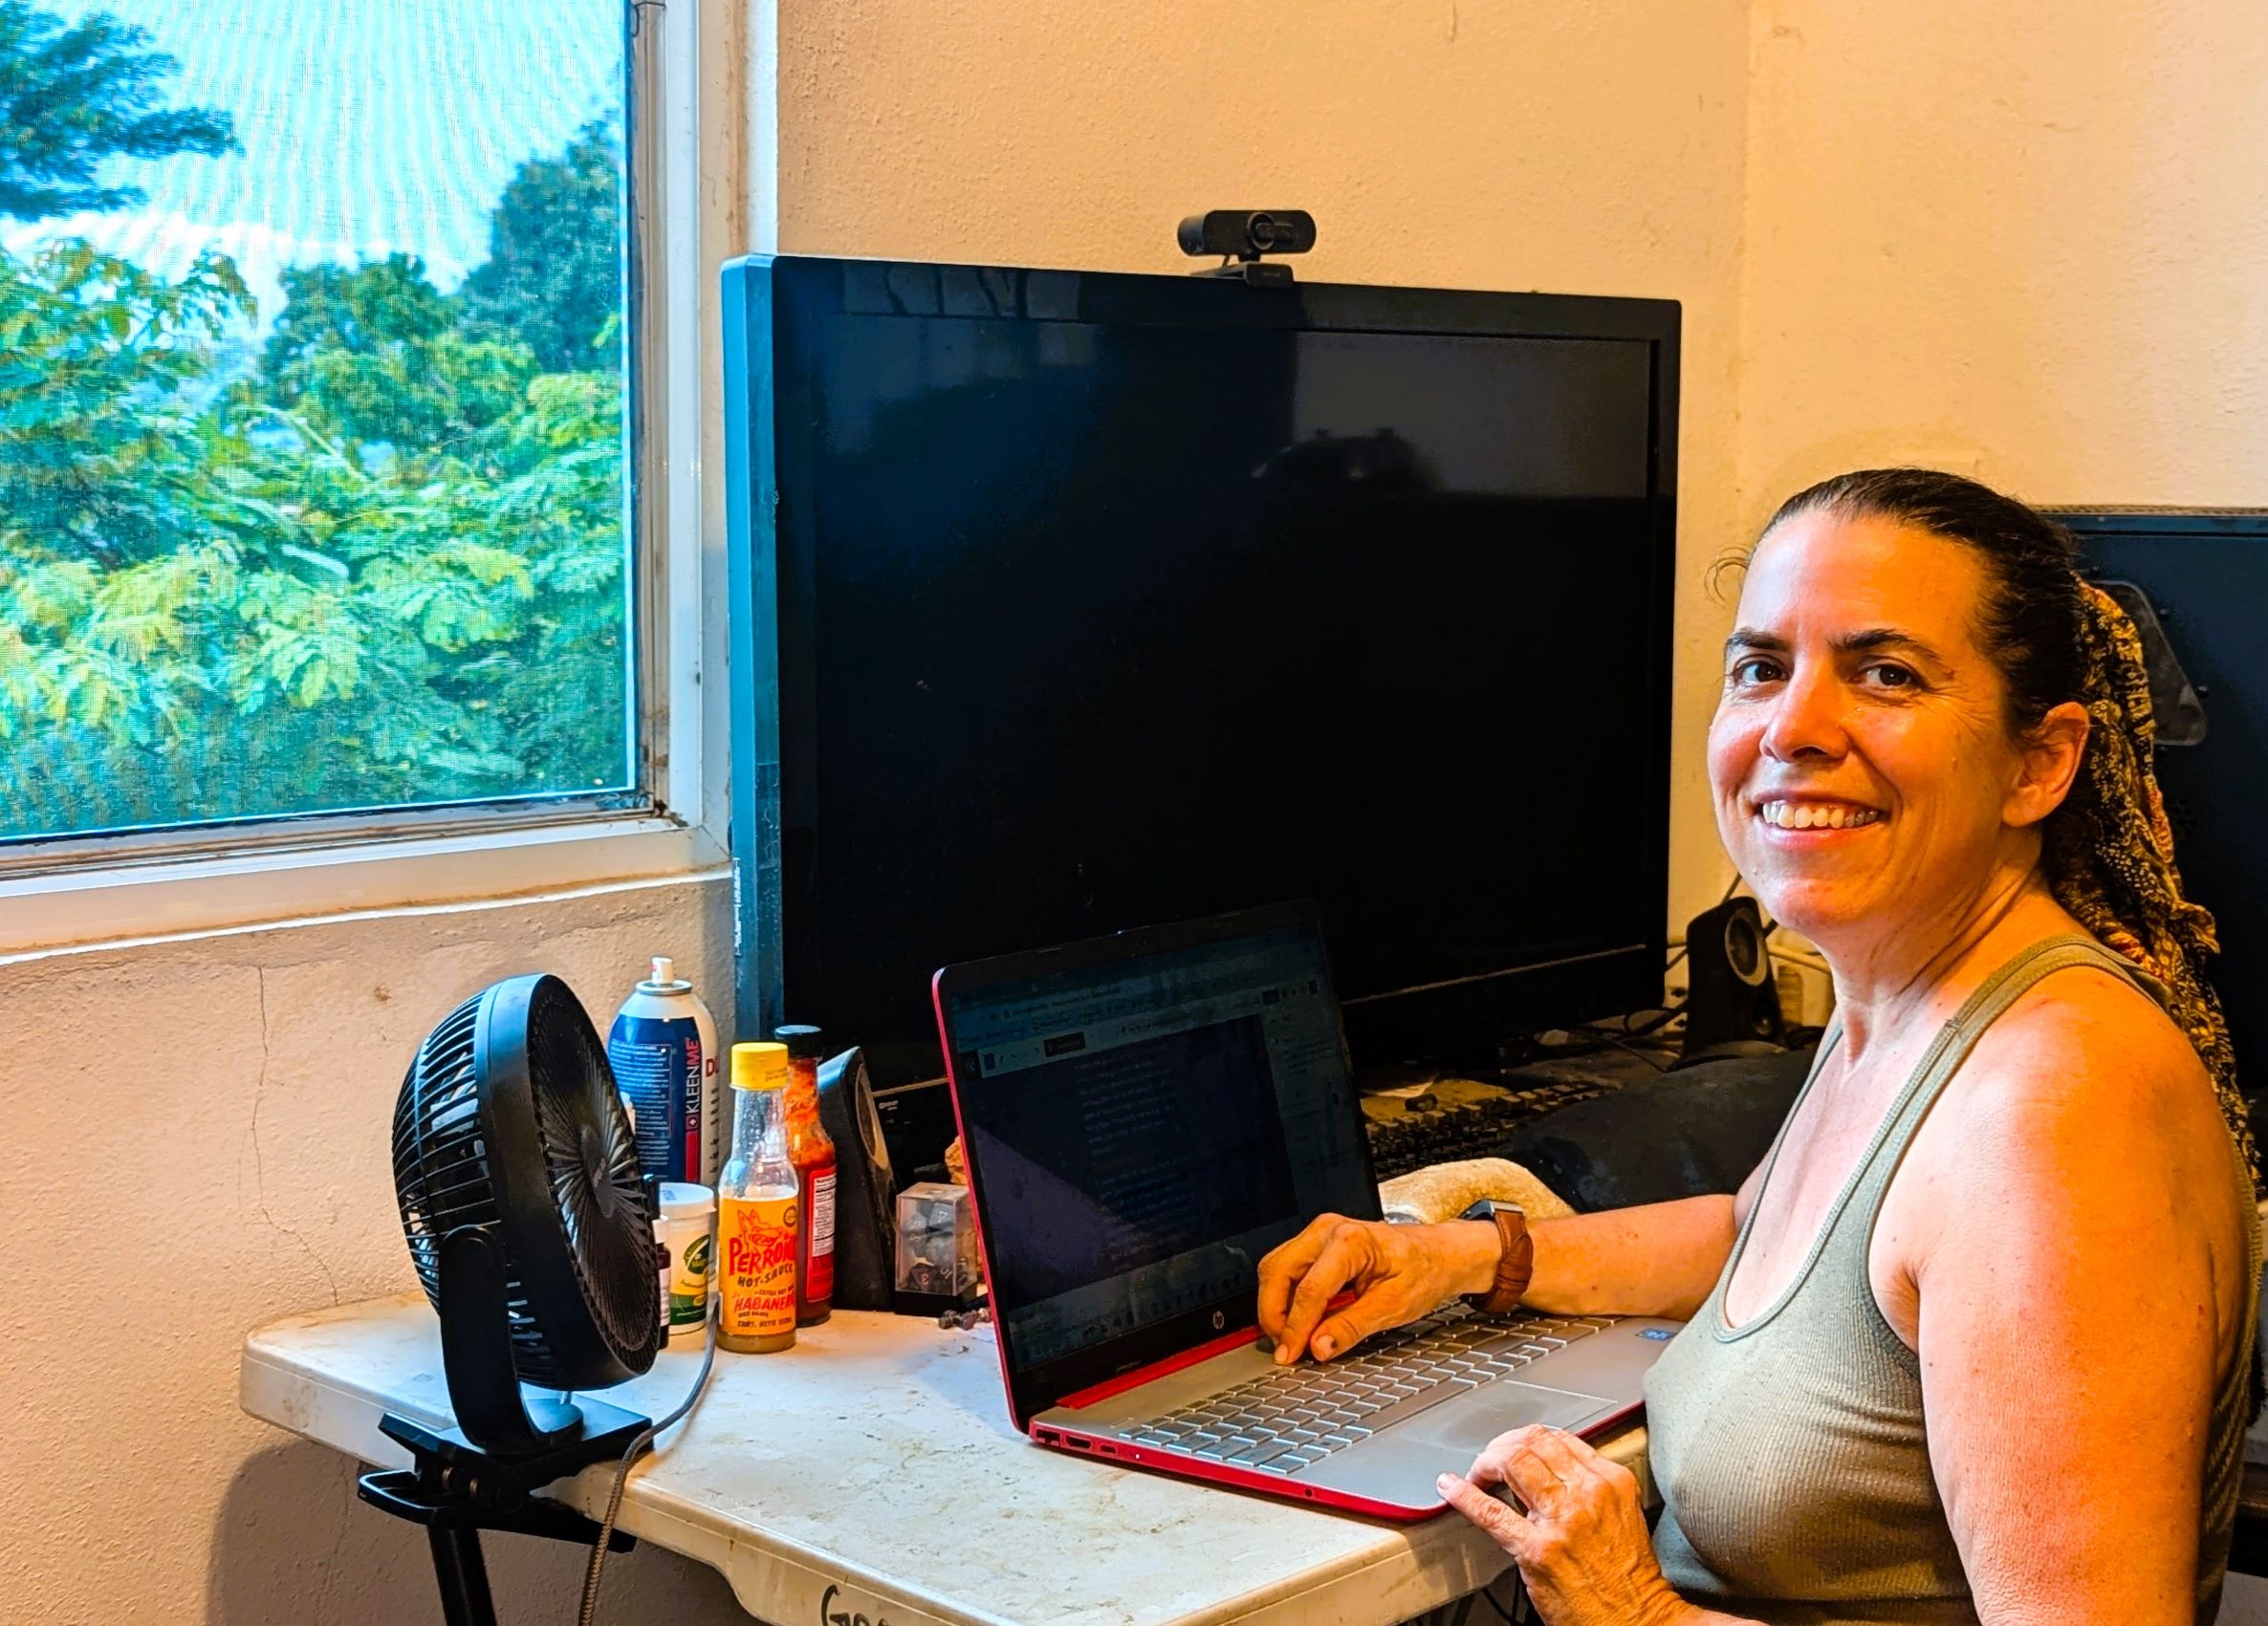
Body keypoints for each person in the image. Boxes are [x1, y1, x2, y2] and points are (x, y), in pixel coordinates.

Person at [1256, 469, 2261, 1625]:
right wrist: (1469, 1262)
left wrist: (1637, 1612)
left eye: (1884, 674)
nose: (1792, 727)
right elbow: (1783, 1249)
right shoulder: (1906, 985)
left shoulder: (2050, 1113)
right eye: (1760, 669)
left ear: (2037, 763)